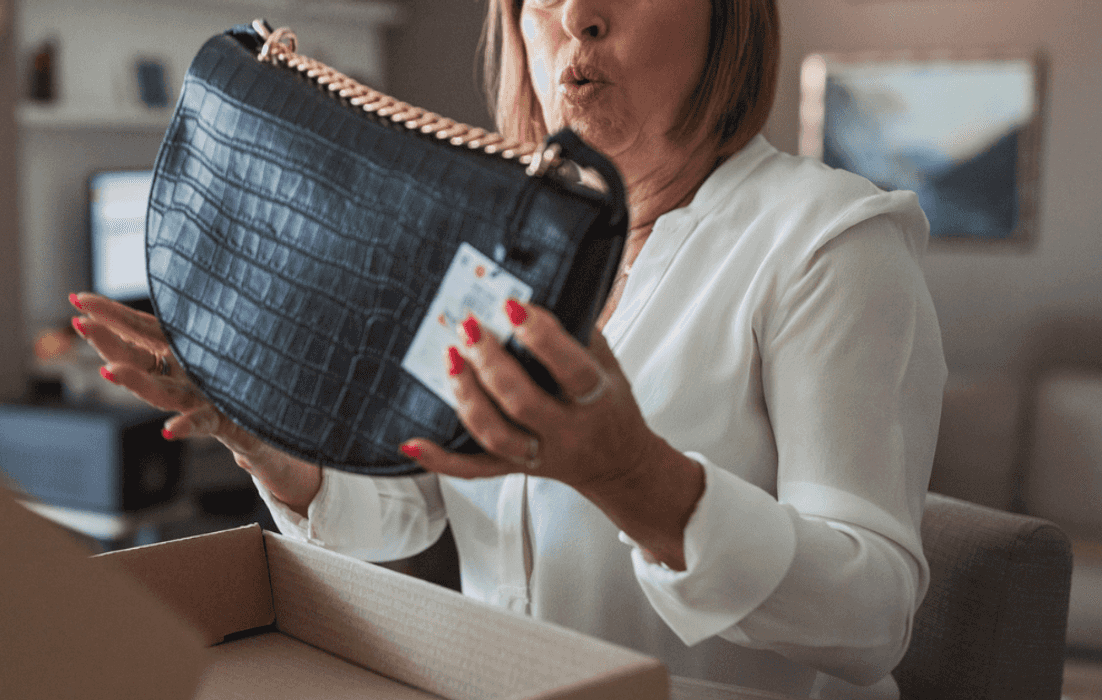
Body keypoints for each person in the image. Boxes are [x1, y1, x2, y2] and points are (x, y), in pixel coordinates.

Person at [69, 0, 947, 696]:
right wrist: (255, 433)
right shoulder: (501, 247)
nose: (575, 15)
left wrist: (633, 477)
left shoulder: (830, 239)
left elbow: (872, 624)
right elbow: (409, 507)